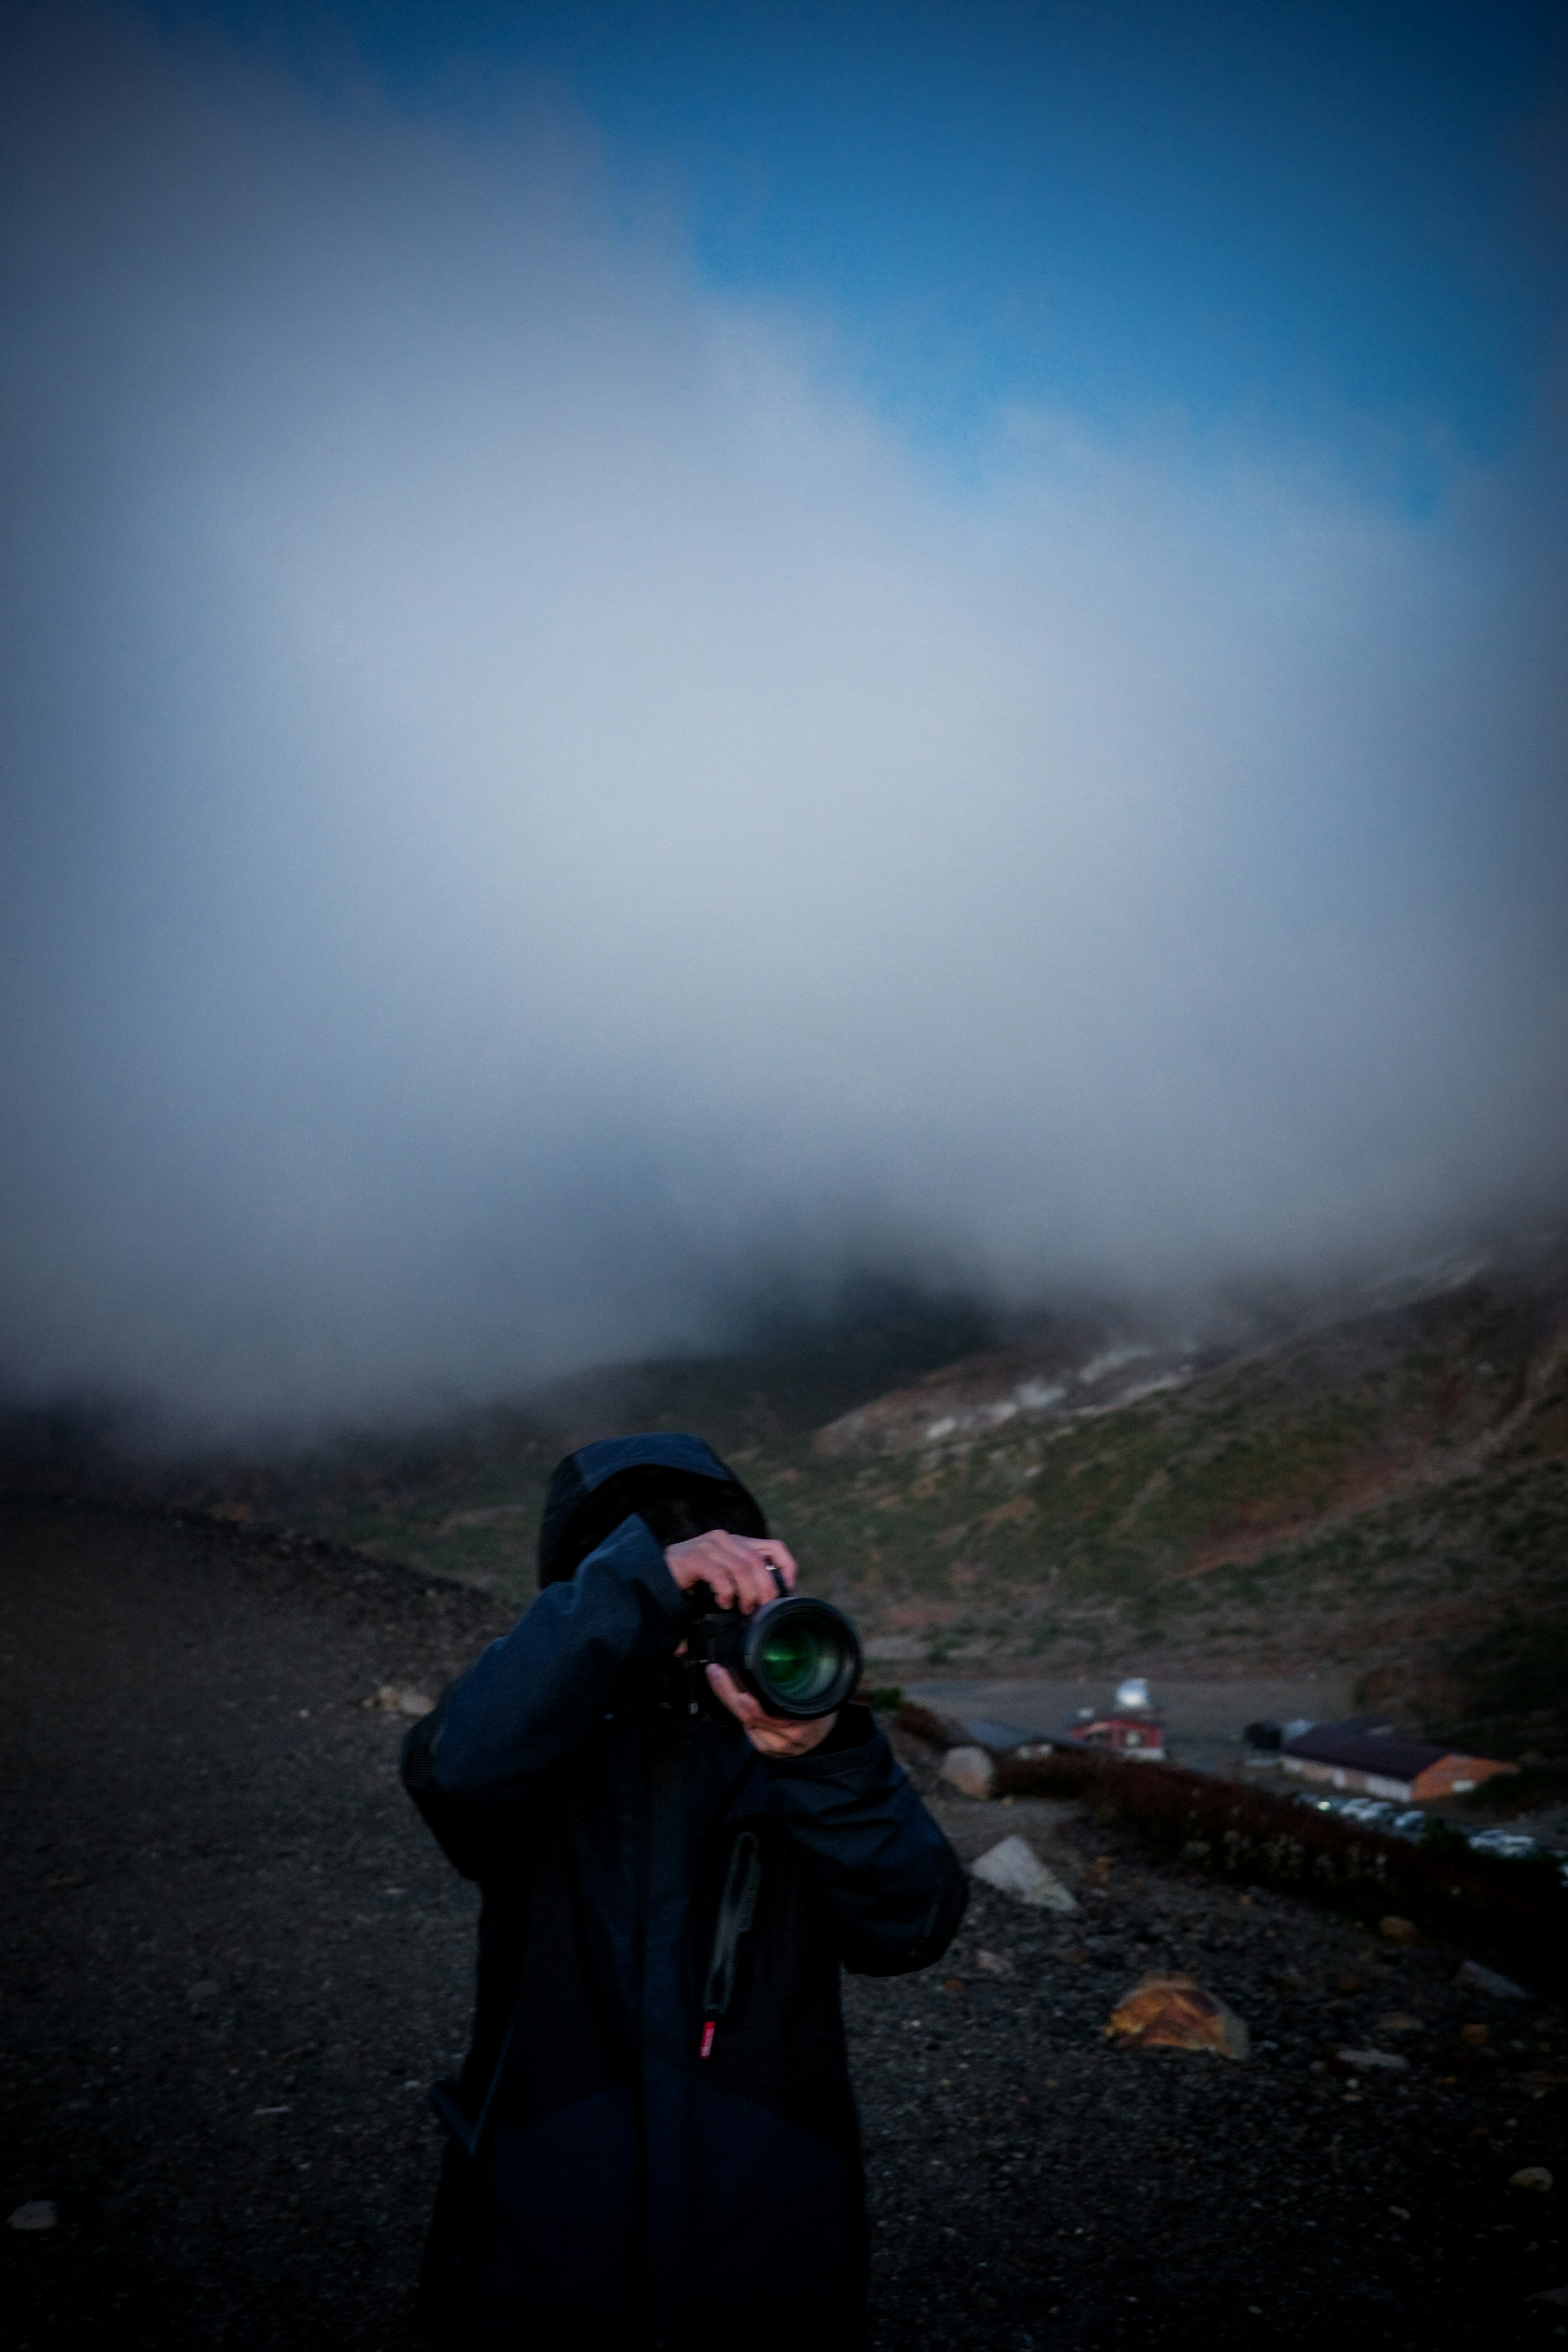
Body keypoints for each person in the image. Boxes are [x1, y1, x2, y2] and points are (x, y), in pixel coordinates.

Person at [401, 1431, 967, 2352]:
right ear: (589, 1586)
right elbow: (452, 1771)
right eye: (662, 1558)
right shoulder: (528, 1750)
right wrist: (631, 1592)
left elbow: (909, 1926)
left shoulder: (784, 1758)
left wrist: (832, 1763)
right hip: (542, 2240)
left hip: (766, 2240)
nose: (692, 1596)